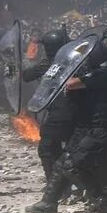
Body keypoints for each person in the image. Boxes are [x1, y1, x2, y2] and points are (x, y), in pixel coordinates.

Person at [27, 40, 107, 213]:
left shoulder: (103, 74)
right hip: (84, 127)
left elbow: (69, 84)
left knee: (72, 165)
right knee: (61, 164)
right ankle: (49, 202)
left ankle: (100, 199)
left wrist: (68, 70)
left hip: (97, 128)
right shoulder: (95, 72)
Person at [23, 29, 74, 183]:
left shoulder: (50, 64)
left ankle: (55, 185)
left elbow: (26, 76)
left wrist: (28, 59)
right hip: (75, 112)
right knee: (65, 149)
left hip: (60, 112)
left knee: (47, 148)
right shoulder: (74, 62)